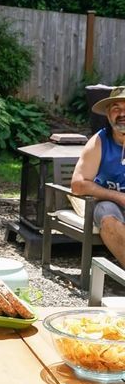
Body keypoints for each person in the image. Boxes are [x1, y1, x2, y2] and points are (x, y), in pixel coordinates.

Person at [72, 86, 125, 264]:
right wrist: (118, 197)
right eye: (116, 108)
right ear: (108, 114)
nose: (122, 113)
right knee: (106, 213)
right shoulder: (99, 142)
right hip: (108, 204)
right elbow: (78, 184)